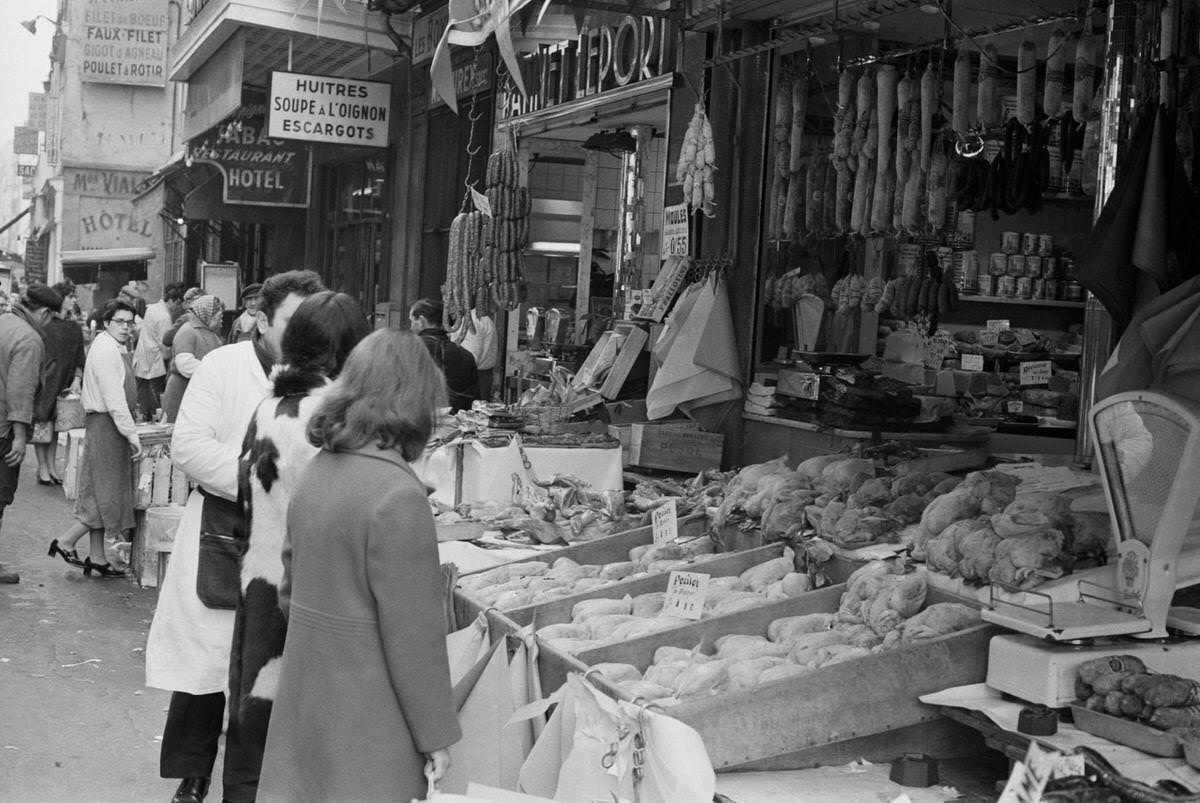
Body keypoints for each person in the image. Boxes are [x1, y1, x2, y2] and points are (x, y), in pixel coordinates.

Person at [144, 270, 325, 803]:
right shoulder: (224, 365)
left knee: (264, 667)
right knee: (206, 663)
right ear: (262, 320)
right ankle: (193, 771)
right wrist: (268, 480)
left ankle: (250, 784)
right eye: (293, 322)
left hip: (289, 540)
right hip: (224, 527)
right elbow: (189, 447)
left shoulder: (323, 377)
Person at [257, 329, 461, 803]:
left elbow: (289, 585)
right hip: (371, 719)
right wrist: (435, 736)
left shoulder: (318, 470)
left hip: (307, 699)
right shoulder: (398, 496)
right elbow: (414, 638)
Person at [225, 291, 369, 802]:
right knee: (290, 737)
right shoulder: (328, 415)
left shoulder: (269, 405)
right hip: (301, 591)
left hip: (257, 580)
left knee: (251, 721)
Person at [47, 299, 140, 578]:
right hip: (107, 425)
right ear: (106, 323)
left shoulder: (113, 346)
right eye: (119, 321)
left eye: (129, 322)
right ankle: (66, 540)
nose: (125, 327)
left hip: (109, 426)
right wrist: (132, 433)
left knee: (98, 491)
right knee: (107, 494)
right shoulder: (105, 351)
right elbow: (114, 398)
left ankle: (97, 556)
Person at [0, 285, 59, 584]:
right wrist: (21, 437)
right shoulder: (29, 338)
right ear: (45, 312)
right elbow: (20, 391)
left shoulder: (3, 322)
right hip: (3, 428)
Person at [32, 281, 86, 485]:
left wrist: (77, 378)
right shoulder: (44, 325)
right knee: (42, 423)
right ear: (60, 299)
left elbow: (80, 355)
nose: (74, 300)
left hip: (65, 382)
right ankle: (42, 467)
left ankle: (52, 465)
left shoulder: (74, 327)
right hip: (46, 381)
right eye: (70, 296)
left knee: (56, 425)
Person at [160, 295, 226, 424]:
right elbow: (184, 364)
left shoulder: (211, 333)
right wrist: (215, 371)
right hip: (181, 392)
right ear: (208, 315)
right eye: (219, 317)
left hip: (198, 394)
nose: (221, 321)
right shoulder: (188, 331)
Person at [410, 297, 477, 412]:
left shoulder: (409, 349)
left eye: (411, 321)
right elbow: (475, 401)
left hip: (420, 421)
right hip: (457, 424)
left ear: (421, 321)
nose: (410, 327)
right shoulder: (466, 355)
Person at [134, 283, 185, 420]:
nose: (176, 308)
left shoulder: (152, 308)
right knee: (156, 398)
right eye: (177, 304)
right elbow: (165, 345)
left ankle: (145, 418)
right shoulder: (165, 317)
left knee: (143, 395)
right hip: (155, 360)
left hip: (143, 355)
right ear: (172, 300)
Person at [452, 307, 498, 401]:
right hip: (481, 377)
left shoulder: (470, 320)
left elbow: (471, 358)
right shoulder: (478, 317)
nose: (448, 306)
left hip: (473, 380)